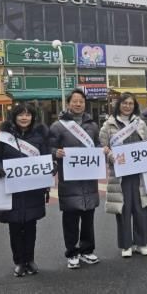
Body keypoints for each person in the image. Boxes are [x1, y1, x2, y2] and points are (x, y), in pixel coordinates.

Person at [0, 103, 50, 277]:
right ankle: (19, 262)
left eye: (28, 115)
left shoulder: (39, 136)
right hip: (11, 189)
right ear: (14, 117)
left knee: (31, 226)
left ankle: (30, 260)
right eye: (21, 115)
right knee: (14, 227)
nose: (24, 118)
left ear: (33, 117)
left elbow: (46, 157)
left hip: (32, 190)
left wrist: (51, 168)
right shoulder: (4, 137)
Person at [49, 89, 101, 269]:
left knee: (88, 218)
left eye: (81, 101)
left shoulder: (92, 125)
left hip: (89, 179)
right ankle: (72, 252)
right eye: (75, 101)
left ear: (85, 104)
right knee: (70, 218)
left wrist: (102, 150)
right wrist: (55, 152)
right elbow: (48, 147)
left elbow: (98, 145)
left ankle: (87, 250)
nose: (78, 104)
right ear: (68, 103)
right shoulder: (58, 126)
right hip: (69, 180)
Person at [99, 92, 147, 258]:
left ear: (134, 106)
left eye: (130, 103)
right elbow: (102, 147)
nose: (127, 106)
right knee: (123, 208)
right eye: (124, 103)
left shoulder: (140, 123)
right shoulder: (108, 125)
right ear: (119, 105)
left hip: (138, 173)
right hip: (119, 174)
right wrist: (110, 155)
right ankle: (126, 245)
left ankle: (142, 243)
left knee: (140, 207)